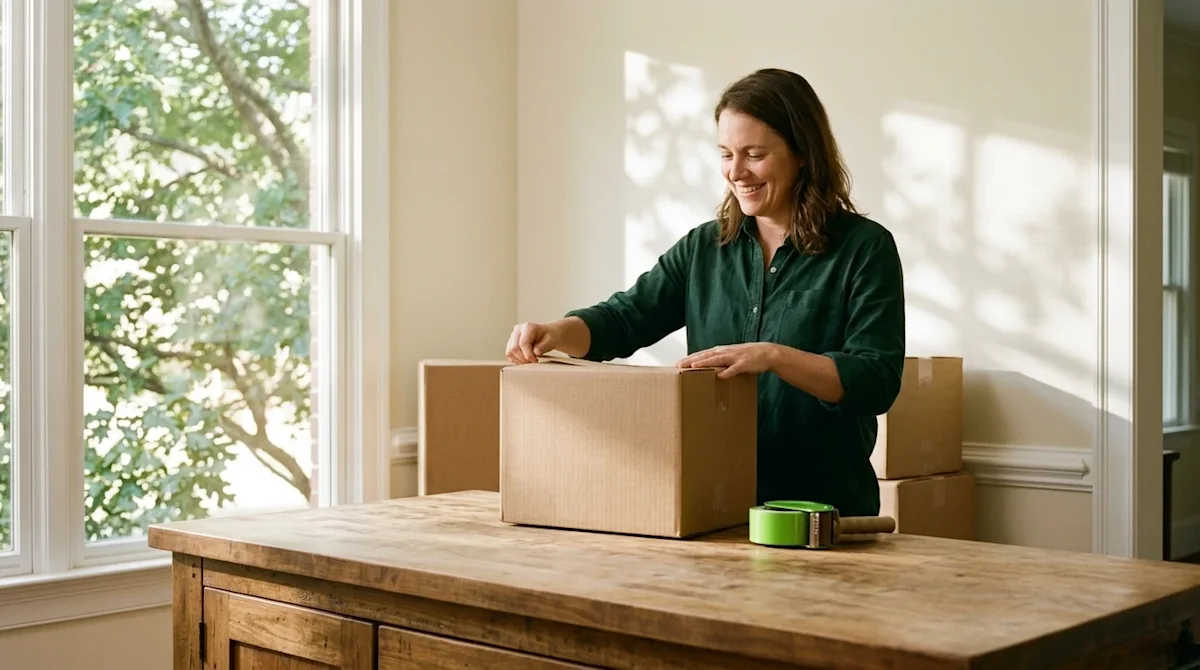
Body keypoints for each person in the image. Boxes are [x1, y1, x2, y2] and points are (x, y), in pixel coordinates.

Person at [504, 68, 905, 518]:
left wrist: (773, 356)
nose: (736, 172)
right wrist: (555, 332)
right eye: (726, 154)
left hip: (824, 513)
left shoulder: (866, 249)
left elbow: (875, 381)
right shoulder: (703, 249)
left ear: (802, 154)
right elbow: (625, 319)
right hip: (716, 509)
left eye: (755, 154)